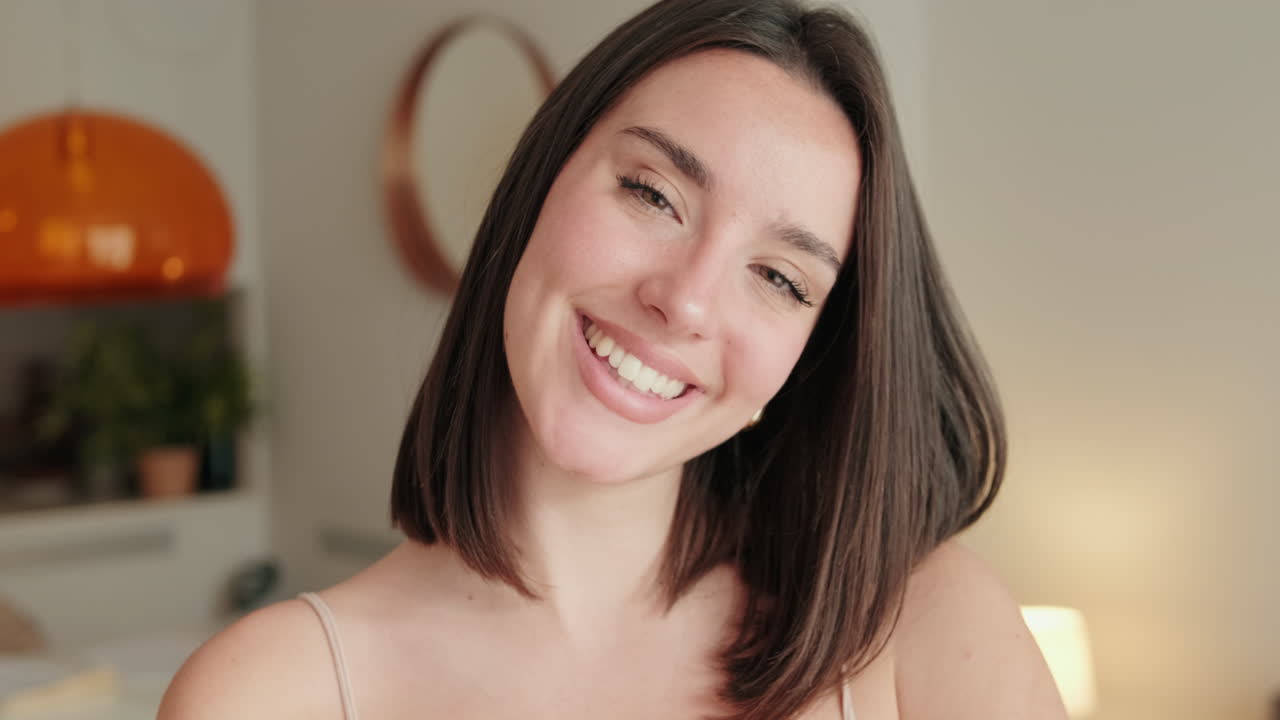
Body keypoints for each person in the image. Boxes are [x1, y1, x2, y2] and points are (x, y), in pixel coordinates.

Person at [160, 0, 1065, 718]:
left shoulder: (928, 633)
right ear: (538, 185)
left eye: (782, 280)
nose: (686, 299)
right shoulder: (267, 695)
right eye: (651, 193)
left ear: (805, 361)